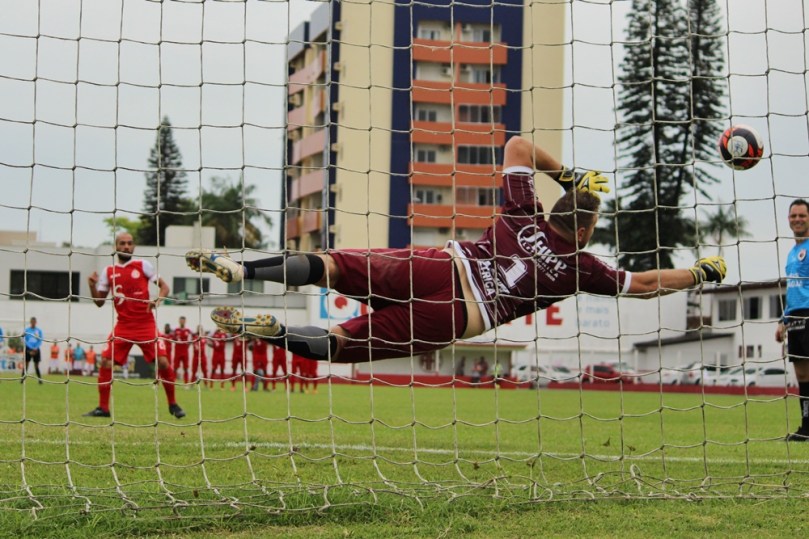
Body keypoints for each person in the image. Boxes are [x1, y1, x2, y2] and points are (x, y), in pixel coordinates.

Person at [187, 136, 727, 364]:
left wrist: (568, 174)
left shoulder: (522, 213)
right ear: (585, 232)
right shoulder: (579, 268)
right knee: (343, 343)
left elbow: (516, 146)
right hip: (460, 314)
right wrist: (699, 273)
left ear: (555, 207)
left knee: (332, 265)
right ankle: (274, 332)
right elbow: (643, 286)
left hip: (439, 266)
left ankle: (245, 265)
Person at [83, 232, 185, 419]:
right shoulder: (108, 272)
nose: (126, 246)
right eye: (122, 243)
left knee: (162, 361)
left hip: (146, 324)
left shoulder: (143, 265)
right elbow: (99, 302)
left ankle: (173, 404)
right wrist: (92, 286)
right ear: (116, 247)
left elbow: (165, 287)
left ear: (134, 246)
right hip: (123, 326)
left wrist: (158, 300)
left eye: (129, 243)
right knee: (105, 361)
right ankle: (103, 408)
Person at [775, 199, 809, 441]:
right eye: (793, 216)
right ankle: (807, 428)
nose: (797, 219)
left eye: (802, 215)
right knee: (803, 376)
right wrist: (783, 320)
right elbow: (793, 290)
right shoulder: (791, 253)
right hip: (795, 318)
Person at [22, 316, 44, 384]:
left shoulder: (39, 330)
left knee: (36, 365)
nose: (33, 323)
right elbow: (24, 339)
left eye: (34, 322)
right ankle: (22, 379)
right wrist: (30, 347)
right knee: (26, 364)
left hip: (36, 349)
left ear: (36, 322)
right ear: (30, 322)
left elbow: (40, 340)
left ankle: (40, 380)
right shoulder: (27, 330)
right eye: (32, 322)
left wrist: (35, 347)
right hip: (28, 349)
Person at [172, 316, 193, 385]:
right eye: (181, 320)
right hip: (177, 351)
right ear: (179, 321)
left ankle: (186, 383)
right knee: (175, 368)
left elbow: (191, 339)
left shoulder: (188, 330)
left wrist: (187, 346)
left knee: (186, 368)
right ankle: (173, 383)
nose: (182, 322)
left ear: (185, 321)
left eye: (183, 320)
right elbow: (173, 339)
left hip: (185, 352)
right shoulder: (176, 330)